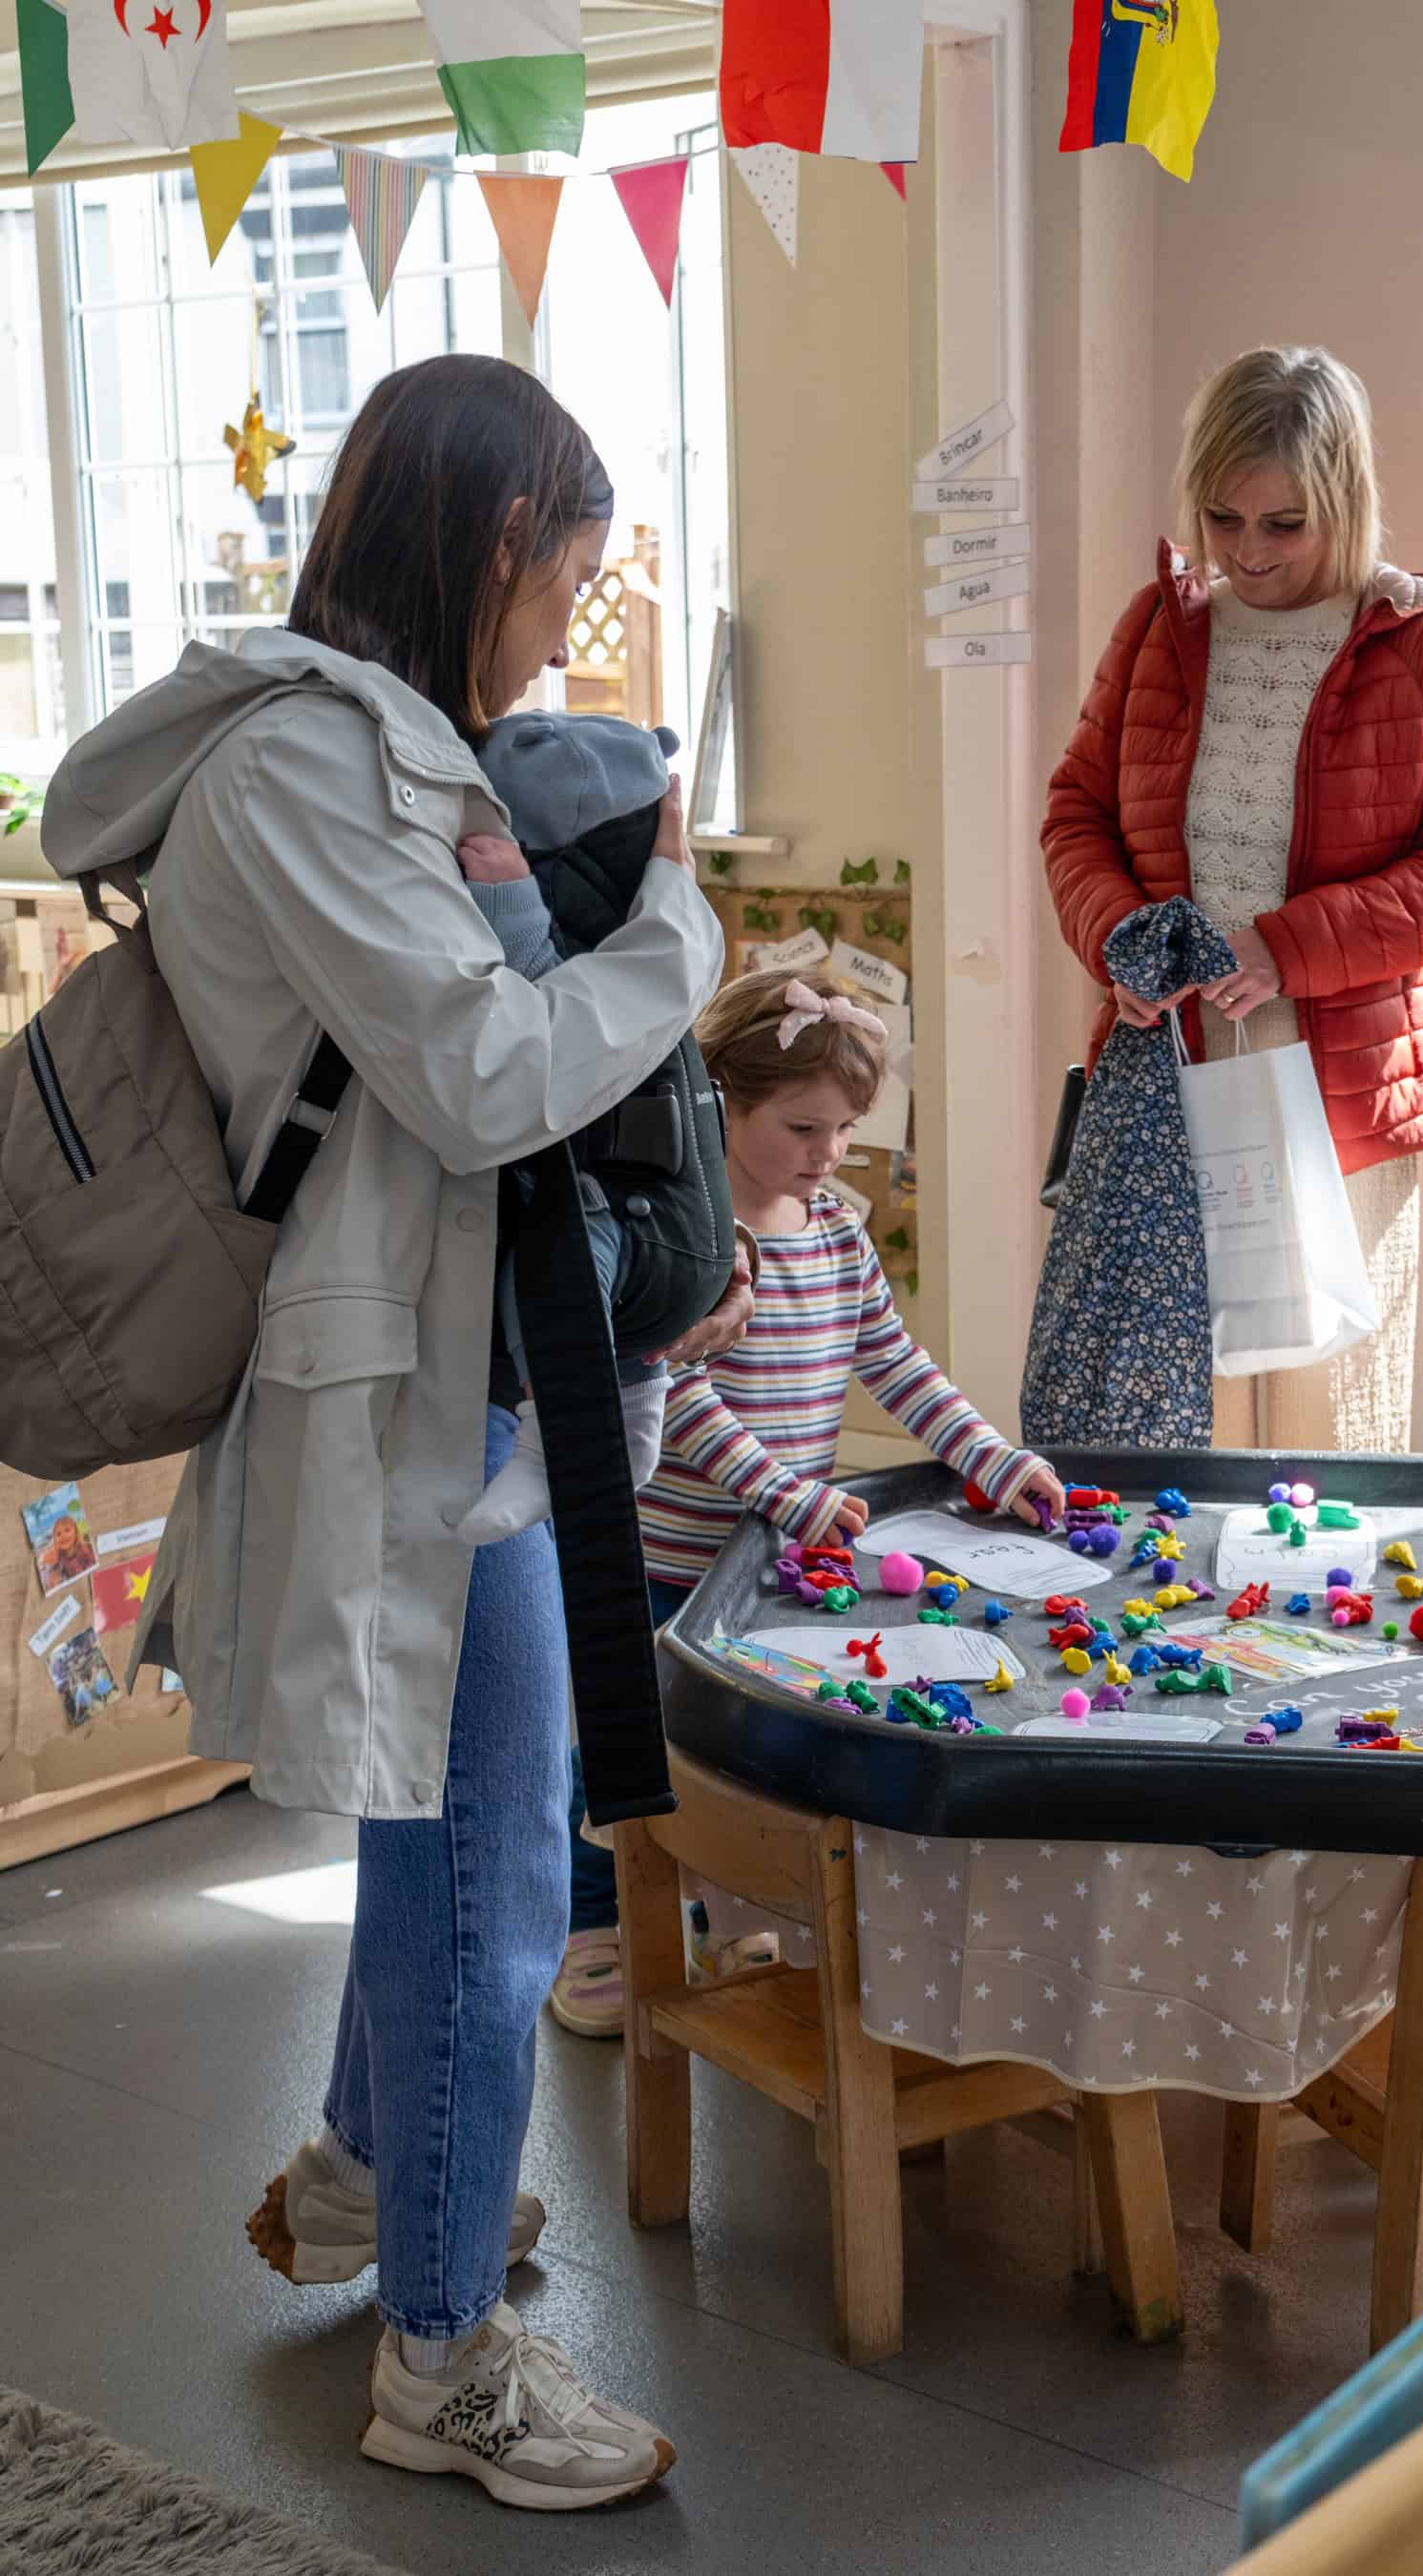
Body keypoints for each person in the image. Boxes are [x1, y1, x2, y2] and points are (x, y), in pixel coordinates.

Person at [41, 354, 752, 2510]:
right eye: (563, 577)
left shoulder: (394, 755)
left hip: (479, 1391)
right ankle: (444, 2357)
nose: (567, 625)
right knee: (492, 1894)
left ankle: (370, 2182)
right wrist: (681, 938)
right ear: (484, 541)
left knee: (463, 1856)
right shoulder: (300, 769)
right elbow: (478, 1069)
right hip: (414, 1408)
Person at [545, 966, 1068, 2040]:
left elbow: (897, 1362)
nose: (829, 1154)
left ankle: (721, 1904)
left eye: (844, 1130)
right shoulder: (684, 1233)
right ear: (720, 1101)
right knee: (621, 1752)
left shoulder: (832, 1227)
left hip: (774, 1567)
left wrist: (991, 1457)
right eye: (803, 1128)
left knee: (746, 1755)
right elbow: (676, 1386)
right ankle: (593, 1925)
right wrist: (778, 1488)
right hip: (669, 1557)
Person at [1039, 344, 1423, 1454]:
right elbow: (1076, 814)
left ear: (1342, 502)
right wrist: (1119, 939)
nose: (1246, 553)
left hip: (1340, 1080)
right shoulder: (1160, 628)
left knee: (1327, 1433)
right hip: (1170, 1070)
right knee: (1172, 1414)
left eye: (1284, 524)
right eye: (1223, 518)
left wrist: (1285, 945)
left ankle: (1322, 1638)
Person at [453, 711, 734, 1542]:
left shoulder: (577, 903)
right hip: (691, 1229)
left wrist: (505, 901)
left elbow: (553, 1022)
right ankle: (630, 1434)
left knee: (570, 1242)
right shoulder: (658, 905)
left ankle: (550, 1445)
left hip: (636, 1230)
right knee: (611, 1295)